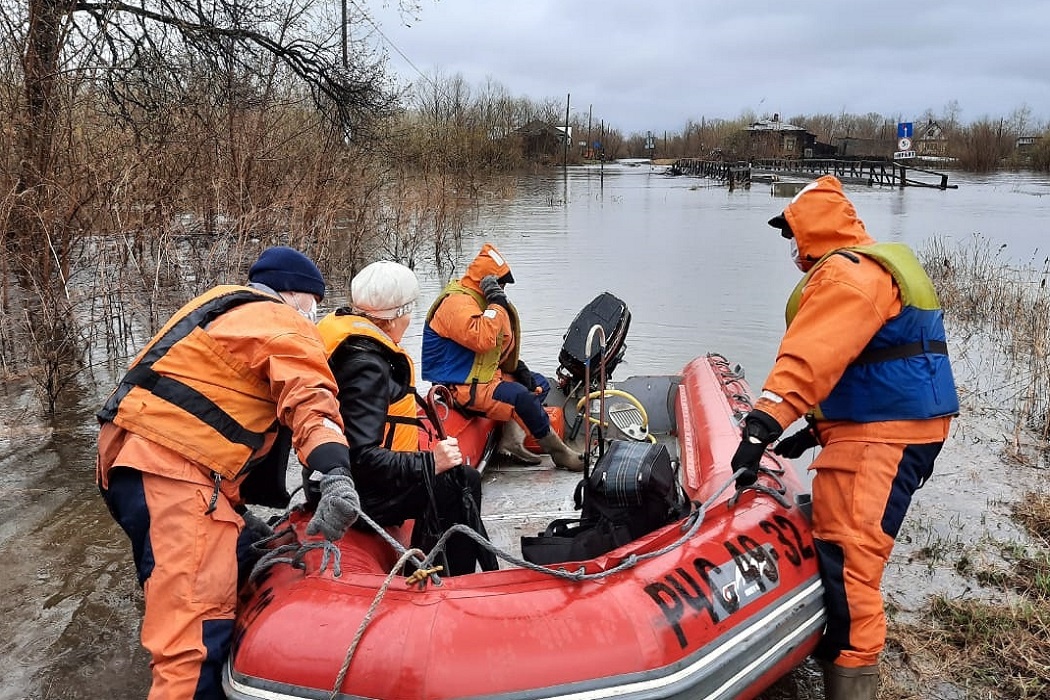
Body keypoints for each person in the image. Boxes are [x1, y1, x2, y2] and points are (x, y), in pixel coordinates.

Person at [96, 245, 361, 700]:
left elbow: (202, 412)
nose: (313, 313)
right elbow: (311, 399)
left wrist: (240, 520)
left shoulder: (219, 305)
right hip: (172, 478)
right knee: (192, 642)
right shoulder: (284, 323)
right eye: (313, 303)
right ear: (296, 294)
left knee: (241, 552)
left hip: (127, 468)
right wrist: (335, 471)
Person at [730, 175, 958, 700]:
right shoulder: (872, 267)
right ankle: (836, 648)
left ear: (813, 229)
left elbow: (809, 360)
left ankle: (852, 678)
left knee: (853, 559)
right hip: (894, 427)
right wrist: (809, 431)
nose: (790, 247)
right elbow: (873, 367)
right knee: (840, 540)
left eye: (792, 234)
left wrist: (763, 424)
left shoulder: (845, 275)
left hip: (884, 438)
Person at [317, 260, 497, 575]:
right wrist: (430, 463)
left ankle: (432, 565)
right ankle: (454, 583)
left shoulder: (346, 342)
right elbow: (361, 456)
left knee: (455, 479)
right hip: (362, 494)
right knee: (461, 482)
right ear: (398, 314)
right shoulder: (366, 367)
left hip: (348, 482)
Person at [421, 243, 584, 471]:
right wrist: (496, 303)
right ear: (487, 282)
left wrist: (517, 367)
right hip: (460, 386)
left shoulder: (480, 301)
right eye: (501, 285)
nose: (504, 290)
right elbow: (483, 338)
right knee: (521, 396)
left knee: (538, 385)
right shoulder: (456, 305)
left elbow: (497, 346)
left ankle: (510, 442)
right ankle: (560, 453)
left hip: (483, 377)